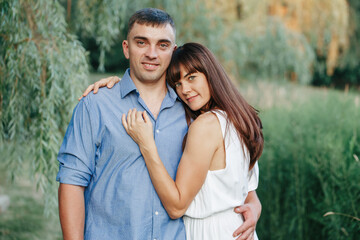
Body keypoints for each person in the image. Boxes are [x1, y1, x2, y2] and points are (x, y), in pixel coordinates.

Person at [58, 8, 261, 240]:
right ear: (126, 48)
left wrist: (254, 206)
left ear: (172, 52)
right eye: (141, 42)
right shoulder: (96, 105)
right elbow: (72, 182)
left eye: (162, 45)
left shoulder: (192, 108)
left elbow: (230, 177)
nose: (152, 54)